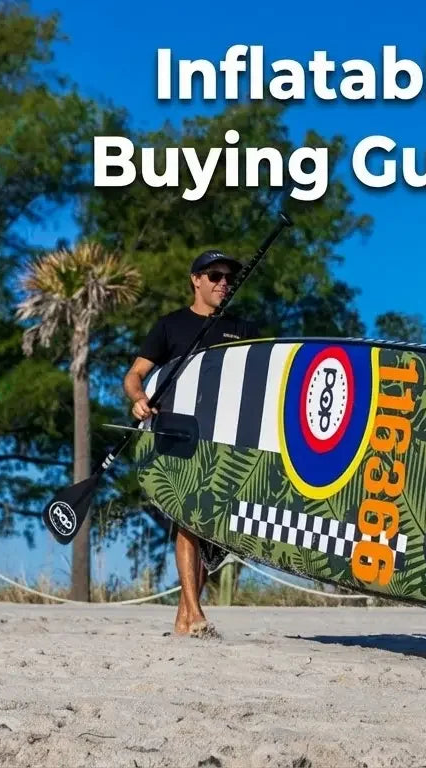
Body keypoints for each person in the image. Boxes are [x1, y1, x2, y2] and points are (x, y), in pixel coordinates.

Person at [123, 249, 259, 638]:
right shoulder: (171, 326)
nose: (222, 283)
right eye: (214, 275)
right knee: (186, 519)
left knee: (210, 529)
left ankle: (183, 621)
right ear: (195, 279)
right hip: (179, 433)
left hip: (223, 440)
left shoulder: (242, 329)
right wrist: (138, 399)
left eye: (227, 278)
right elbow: (135, 374)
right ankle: (197, 615)